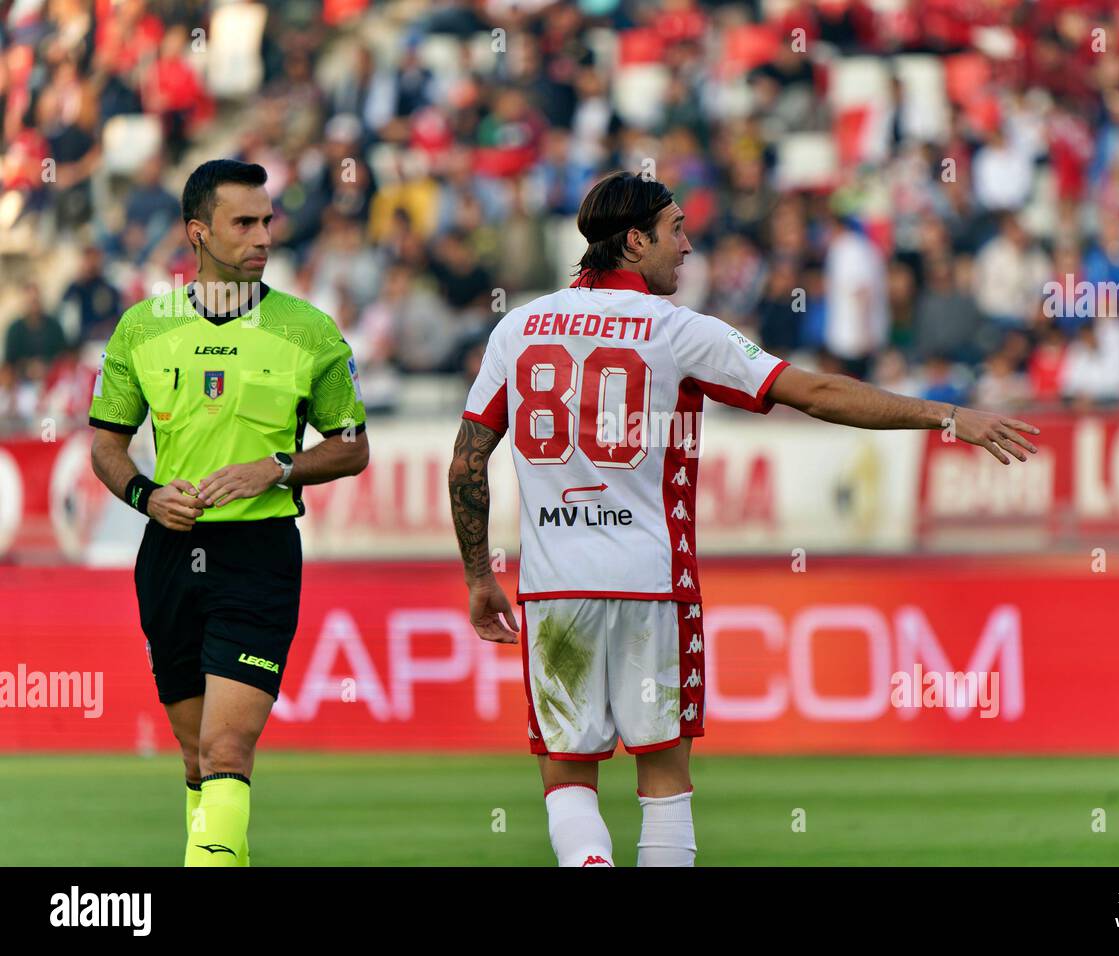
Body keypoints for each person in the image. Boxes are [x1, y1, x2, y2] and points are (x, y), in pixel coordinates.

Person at [447, 171, 1040, 867]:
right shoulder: (677, 331)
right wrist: (946, 415)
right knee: (664, 786)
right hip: (653, 585)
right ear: (634, 243)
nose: (689, 246)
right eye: (675, 231)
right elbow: (817, 392)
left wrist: (479, 577)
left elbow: (467, 464)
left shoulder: (519, 327)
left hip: (553, 589)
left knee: (567, 781)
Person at [87, 159, 369, 866]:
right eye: (244, 223)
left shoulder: (307, 330)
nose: (262, 237)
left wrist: (273, 469)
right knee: (194, 756)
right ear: (198, 232)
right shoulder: (143, 328)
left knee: (226, 746)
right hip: (169, 557)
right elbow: (105, 446)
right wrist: (145, 496)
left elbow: (353, 448)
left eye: (266, 221)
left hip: (259, 555)